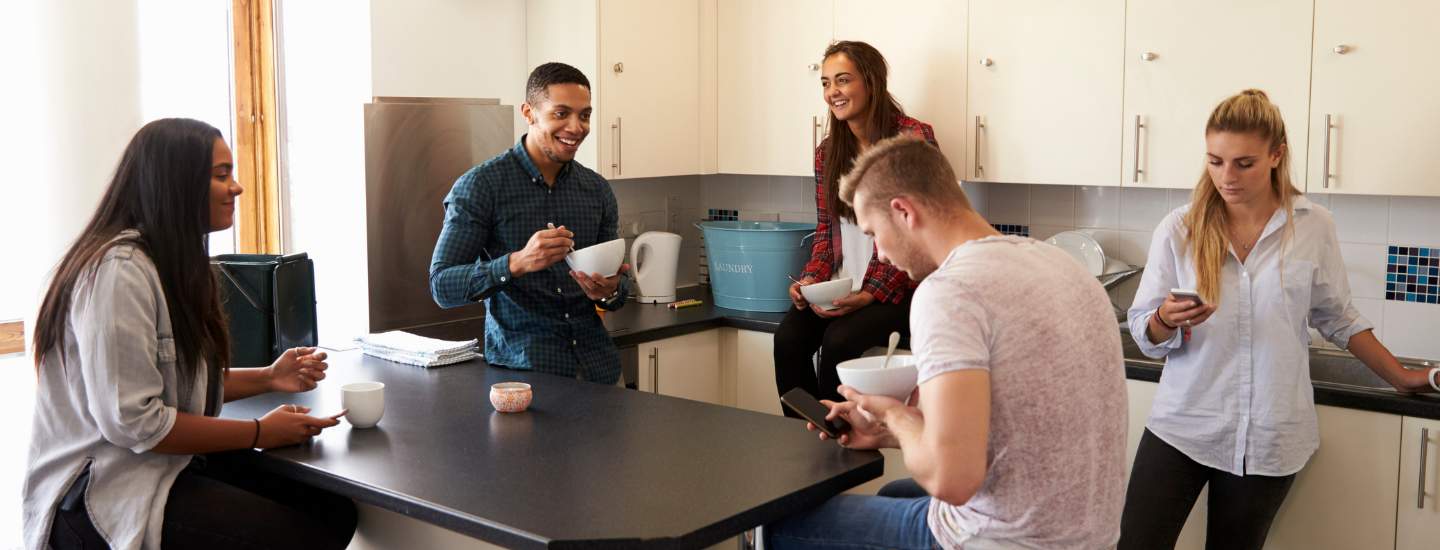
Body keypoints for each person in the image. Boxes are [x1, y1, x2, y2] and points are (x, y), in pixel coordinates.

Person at [766, 136, 1128, 549]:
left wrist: (896, 415)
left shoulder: (951, 292)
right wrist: (887, 430)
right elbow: (1011, 425)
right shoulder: (1061, 264)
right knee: (895, 493)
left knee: (776, 531)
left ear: (903, 211)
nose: (880, 255)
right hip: (1091, 536)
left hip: (1004, 540)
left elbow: (950, 480)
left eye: (874, 234)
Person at [1119, 89, 1439, 549]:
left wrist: (1403, 376)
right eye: (1215, 161)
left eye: (1243, 163)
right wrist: (1166, 320)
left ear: (1276, 155)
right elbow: (1143, 329)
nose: (1226, 176)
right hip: (1182, 426)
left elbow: (1338, 317)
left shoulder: (1313, 225)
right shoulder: (1180, 228)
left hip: (1272, 435)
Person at [23, 118, 356, 550]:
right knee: (298, 533)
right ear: (174, 184)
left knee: (332, 511)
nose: (236, 188)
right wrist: (259, 432)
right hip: (98, 497)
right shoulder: (119, 272)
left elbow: (176, 384)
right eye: (221, 175)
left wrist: (270, 377)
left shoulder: (167, 264)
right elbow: (137, 423)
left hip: (157, 468)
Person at [430, 62, 629, 384]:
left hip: (599, 369)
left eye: (585, 115)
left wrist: (609, 291)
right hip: (524, 374)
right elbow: (441, 286)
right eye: (561, 113)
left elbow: (617, 293)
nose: (576, 127)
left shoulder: (596, 189)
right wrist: (517, 262)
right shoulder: (481, 186)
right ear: (529, 112)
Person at [775, 41, 936, 414]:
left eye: (843, 80)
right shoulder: (828, 151)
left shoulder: (912, 139)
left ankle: (839, 442)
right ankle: (803, 436)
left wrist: (868, 294)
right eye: (826, 83)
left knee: (839, 340)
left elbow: (914, 233)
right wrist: (811, 280)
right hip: (844, 286)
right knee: (787, 339)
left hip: (900, 292)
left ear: (871, 82)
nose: (833, 92)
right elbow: (825, 231)